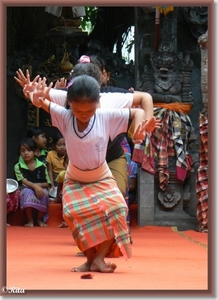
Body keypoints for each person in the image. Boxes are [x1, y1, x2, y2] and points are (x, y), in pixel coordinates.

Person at [23, 74, 156, 273]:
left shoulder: (106, 115)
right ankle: (90, 258)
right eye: (78, 110)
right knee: (71, 215)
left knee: (119, 210)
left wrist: (140, 131)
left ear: (98, 104)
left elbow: (136, 113)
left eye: (89, 110)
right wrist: (33, 95)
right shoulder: (64, 115)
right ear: (70, 105)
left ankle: (99, 258)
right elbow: (40, 102)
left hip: (101, 176)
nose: (84, 114)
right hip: (74, 177)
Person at [14, 138, 51, 227]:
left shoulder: (42, 165)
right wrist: (34, 186)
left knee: (44, 192)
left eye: (29, 150)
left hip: (40, 189)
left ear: (35, 151)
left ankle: (39, 219)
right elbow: (23, 181)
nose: (26, 153)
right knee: (27, 191)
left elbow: (47, 183)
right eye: (23, 151)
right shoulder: (18, 166)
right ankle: (29, 219)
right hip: (25, 188)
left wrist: (38, 186)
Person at [55, 153, 69, 228]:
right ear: (64, 164)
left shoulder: (79, 174)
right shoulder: (62, 174)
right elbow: (60, 186)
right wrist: (57, 197)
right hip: (66, 195)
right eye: (67, 163)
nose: (70, 166)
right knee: (64, 195)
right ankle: (66, 220)